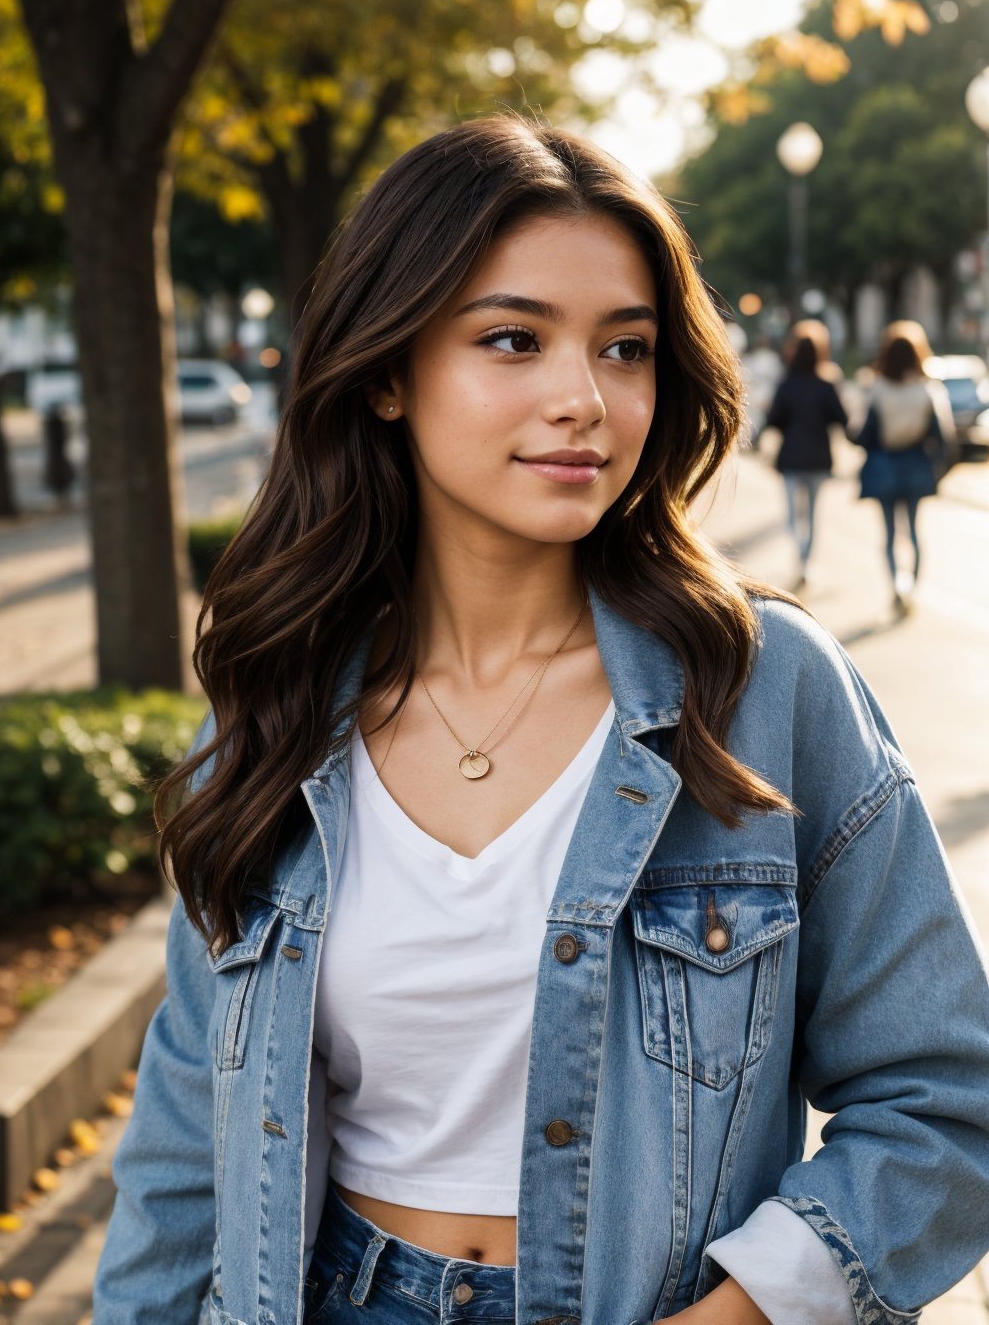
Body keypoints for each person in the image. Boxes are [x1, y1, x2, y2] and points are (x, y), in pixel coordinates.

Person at [93, 117, 989, 1325]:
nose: (584, 399)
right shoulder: (278, 706)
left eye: (624, 349)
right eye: (513, 340)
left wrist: (746, 1312)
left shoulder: (763, 691)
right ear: (386, 373)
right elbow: (182, 1155)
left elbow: (941, 1099)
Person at [850, 320, 955, 614]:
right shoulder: (928, 391)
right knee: (913, 531)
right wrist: (938, 471)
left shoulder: (877, 390)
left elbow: (863, 437)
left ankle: (896, 584)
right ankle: (914, 587)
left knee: (888, 534)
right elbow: (943, 439)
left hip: (884, 466)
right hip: (916, 467)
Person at [764, 321, 848, 588]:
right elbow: (841, 418)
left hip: (791, 460)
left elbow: (774, 419)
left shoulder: (787, 383)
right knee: (811, 514)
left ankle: (800, 555)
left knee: (792, 516)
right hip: (819, 460)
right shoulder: (826, 384)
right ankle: (805, 561)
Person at [42, 403, 75, 507]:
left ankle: (61, 496)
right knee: (59, 475)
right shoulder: (55, 424)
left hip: (57, 453)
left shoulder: (52, 424)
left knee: (60, 475)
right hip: (57, 453)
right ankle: (61, 496)